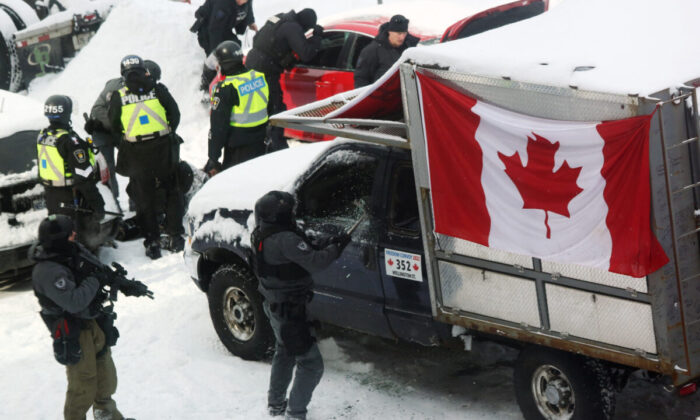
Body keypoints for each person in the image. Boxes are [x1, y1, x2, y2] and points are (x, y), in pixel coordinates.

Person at [251, 191, 350, 420]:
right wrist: (336, 248)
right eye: (290, 212)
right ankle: (295, 413)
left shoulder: (262, 233)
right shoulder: (285, 239)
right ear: (280, 216)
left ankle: (276, 404)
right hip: (289, 310)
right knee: (312, 365)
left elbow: (301, 249)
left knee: (284, 351)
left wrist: (322, 243)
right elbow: (316, 261)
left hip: (275, 305)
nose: (293, 215)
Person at [30, 215, 134, 420]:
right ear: (59, 239)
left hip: (92, 321)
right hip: (73, 330)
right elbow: (75, 301)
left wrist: (120, 282)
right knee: (83, 384)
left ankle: (107, 415)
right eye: (70, 234)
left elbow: (95, 267)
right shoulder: (48, 270)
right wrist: (95, 280)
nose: (75, 235)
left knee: (106, 376)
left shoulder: (70, 251)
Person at [108, 54, 184, 259]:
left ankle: (152, 242)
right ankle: (175, 235)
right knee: (172, 192)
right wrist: (167, 132)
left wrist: (127, 138)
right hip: (162, 149)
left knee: (144, 199)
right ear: (145, 70)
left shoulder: (119, 96)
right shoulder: (158, 89)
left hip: (137, 153)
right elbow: (175, 114)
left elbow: (114, 125)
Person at [245, 9, 323, 152]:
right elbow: (306, 53)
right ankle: (276, 147)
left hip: (251, 63)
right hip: (266, 70)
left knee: (257, 106)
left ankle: (259, 141)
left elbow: (258, 39)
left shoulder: (280, 17)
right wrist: (316, 36)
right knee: (276, 110)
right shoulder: (293, 28)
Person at [37, 95, 105, 242]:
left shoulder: (43, 136)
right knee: (74, 239)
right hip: (70, 197)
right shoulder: (69, 141)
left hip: (52, 197)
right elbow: (83, 178)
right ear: (66, 114)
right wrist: (98, 204)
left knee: (58, 237)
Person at [204, 40, 269, 176]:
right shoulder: (259, 77)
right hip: (261, 142)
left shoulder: (226, 88)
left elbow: (218, 127)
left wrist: (213, 158)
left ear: (223, 64)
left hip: (239, 149)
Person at [192, 0, 258, 91]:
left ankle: (232, 77)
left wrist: (251, 22)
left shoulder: (247, 1)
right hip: (208, 30)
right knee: (215, 58)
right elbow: (214, 31)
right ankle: (207, 86)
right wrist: (216, 54)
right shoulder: (222, 3)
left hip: (225, 28)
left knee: (236, 48)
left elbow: (248, 10)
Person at [353, 14, 419, 88]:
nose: (402, 37)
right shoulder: (372, 50)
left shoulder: (409, 49)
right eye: (399, 33)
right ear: (390, 32)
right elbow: (361, 79)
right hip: (381, 97)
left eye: (404, 33)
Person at [85, 76, 123, 202]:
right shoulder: (117, 86)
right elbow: (97, 110)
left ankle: (135, 201)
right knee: (107, 168)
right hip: (102, 130)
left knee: (133, 164)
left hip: (116, 129)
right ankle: (113, 202)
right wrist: (115, 127)